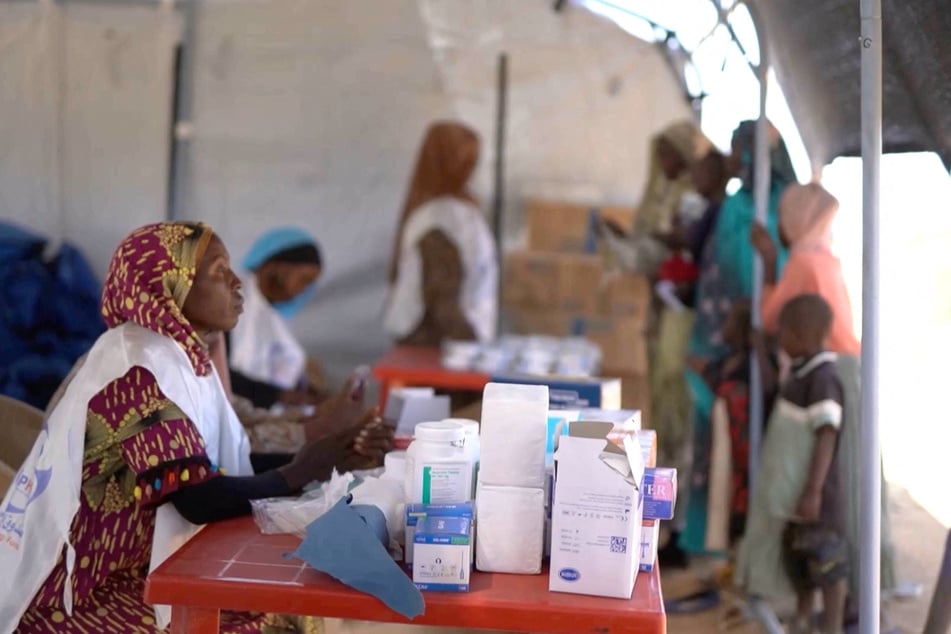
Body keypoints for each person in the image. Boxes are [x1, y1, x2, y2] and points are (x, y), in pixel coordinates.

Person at [1, 222, 391, 633]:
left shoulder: (182, 359)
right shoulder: (135, 370)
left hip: (138, 567)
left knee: (291, 607)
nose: (237, 282)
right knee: (275, 620)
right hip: (86, 589)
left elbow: (206, 464)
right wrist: (302, 469)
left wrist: (329, 455)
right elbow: (197, 497)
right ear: (171, 285)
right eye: (219, 271)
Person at [680, 119, 796, 557]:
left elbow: (774, 271)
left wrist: (750, 333)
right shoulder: (734, 203)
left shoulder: (781, 204)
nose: (730, 160)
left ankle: (737, 543)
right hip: (712, 337)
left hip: (751, 340)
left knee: (744, 442)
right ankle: (702, 539)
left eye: (737, 151)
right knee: (709, 440)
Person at [735, 294, 849, 634]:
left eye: (782, 332)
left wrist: (813, 490)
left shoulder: (824, 378)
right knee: (803, 563)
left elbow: (827, 433)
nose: (778, 338)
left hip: (818, 497)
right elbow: (771, 390)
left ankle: (831, 625)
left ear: (801, 335)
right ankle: (803, 616)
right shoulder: (799, 371)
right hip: (794, 496)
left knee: (828, 564)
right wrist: (759, 350)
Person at [384, 121, 498, 346]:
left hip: (450, 342)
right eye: (466, 161)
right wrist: (471, 346)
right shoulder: (440, 219)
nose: (471, 168)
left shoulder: (446, 213)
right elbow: (442, 302)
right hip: (438, 346)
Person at [750, 182, 860, 355]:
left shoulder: (803, 264)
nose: (778, 226)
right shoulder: (825, 260)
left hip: (830, 364)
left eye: (782, 216)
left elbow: (770, 321)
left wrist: (769, 260)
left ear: (796, 220)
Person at [228, 227, 327, 409]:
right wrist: (277, 395)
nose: (306, 289)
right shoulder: (228, 300)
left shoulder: (273, 314)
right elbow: (216, 372)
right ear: (277, 269)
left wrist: (303, 384)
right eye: (305, 279)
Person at [601, 119, 712, 277]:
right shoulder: (659, 190)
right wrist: (625, 236)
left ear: (682, 155)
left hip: (675, 277)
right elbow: (647, 233)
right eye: (659, 153)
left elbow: (686, 243)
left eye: (667, 154)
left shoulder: (694, 196)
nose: (661, 160)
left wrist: (657, 237)